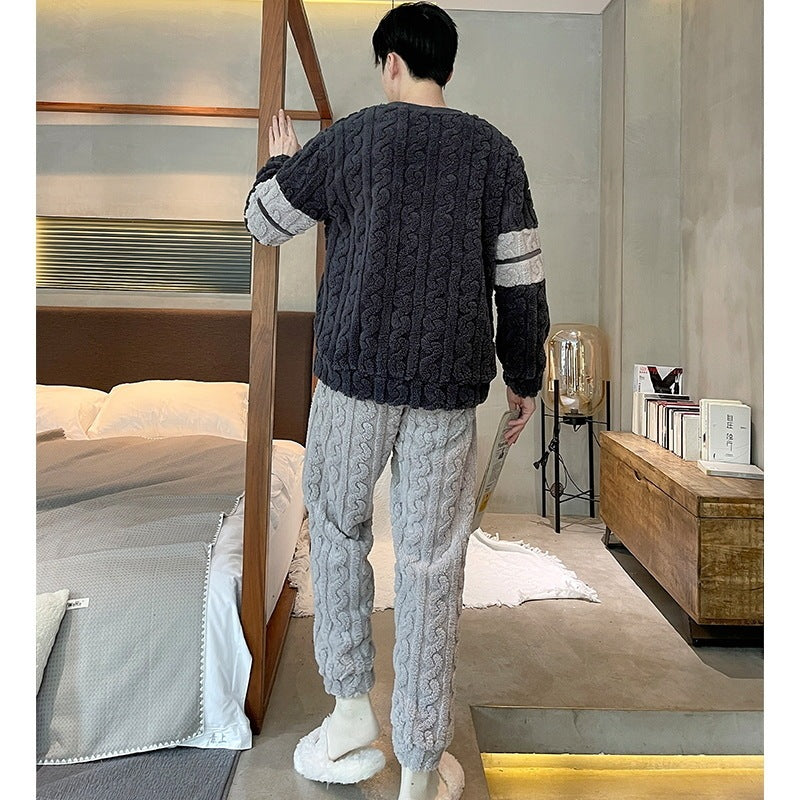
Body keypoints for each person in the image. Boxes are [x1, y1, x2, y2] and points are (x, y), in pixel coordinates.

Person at [243, 3, 550, 798]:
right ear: (444, 64)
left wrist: (278, 163)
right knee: (431, 565)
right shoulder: (494, 152)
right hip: (448, 391)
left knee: (337, 530)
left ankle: (351, 713)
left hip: (353, 381)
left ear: (390, 64)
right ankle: (418, 763)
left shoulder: (354, 139)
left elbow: (263, 222)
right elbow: (521, 280)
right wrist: (524, 377)